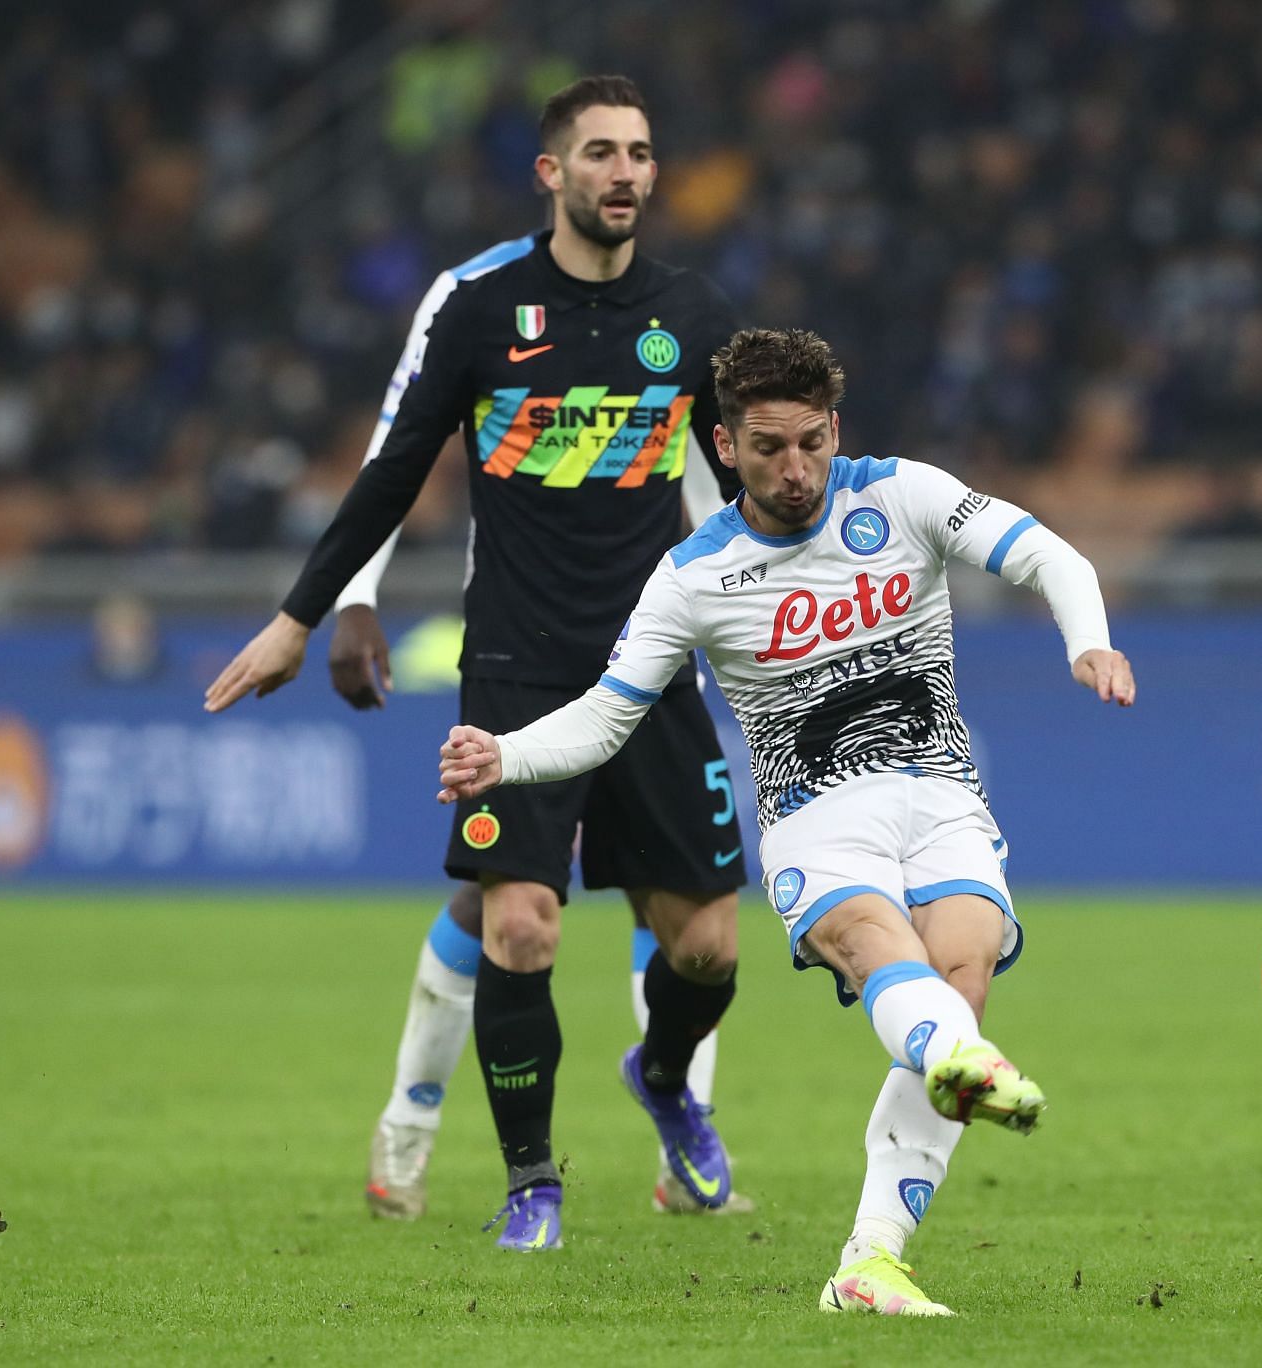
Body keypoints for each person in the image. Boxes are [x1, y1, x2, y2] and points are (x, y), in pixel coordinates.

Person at [434, 328, 1137, 1314]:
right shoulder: (694, 574)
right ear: (725, 447)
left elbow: (1049, 557)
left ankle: (870, 1262)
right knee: (885, 955)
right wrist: (502, 754)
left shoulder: (902, 496)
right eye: (769, 448)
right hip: (817, 821)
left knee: (962, 976)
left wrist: (1088, 643)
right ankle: (954, 1056)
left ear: (834, 429)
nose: (796, 467)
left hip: (942, 801)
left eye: (811, 441)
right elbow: (607, 713)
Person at [205, 76, 751, 1251]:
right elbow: (393, 467)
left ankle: (663, 1086)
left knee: (705, 945)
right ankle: (530, 1185)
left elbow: (754, 475)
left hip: (652, 666)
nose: (625, 172)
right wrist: (313, 612)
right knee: (518, 925)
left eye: (641, 153)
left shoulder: (696, 316)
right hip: (516, 664)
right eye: (600, 152)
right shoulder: (481, 308)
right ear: (551, 172)